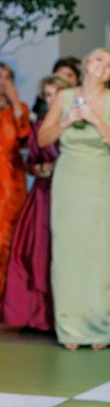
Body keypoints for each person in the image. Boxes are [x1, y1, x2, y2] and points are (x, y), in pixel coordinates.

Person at [39, 49, 110, 349]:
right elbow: (42, 138)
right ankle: (70, 328)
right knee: (68, 253)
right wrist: (66, 120)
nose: (105, 66)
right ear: (86, 64)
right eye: (100, 59)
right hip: (69, 181)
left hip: (102, 181)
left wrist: (96, 120)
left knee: (102, 254)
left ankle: (101, 328)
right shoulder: (64, 97)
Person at [3, 75, 67, 331]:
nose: (51, 100)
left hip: (69, 192)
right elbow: (31, 162)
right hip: (43, 195)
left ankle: (64, 315)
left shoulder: (77, 124)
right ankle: (37, 315)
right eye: (48, 95)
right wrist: (42, 168)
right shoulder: (40, 126)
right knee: (37, 253)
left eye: (56, 94)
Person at [0, 64, 31, 306]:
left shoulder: (19, 109)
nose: (2, 82)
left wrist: (15, 103)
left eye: (7, 78)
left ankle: (6, 297)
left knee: (8, 239)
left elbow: (25, 137)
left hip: (11, 183)